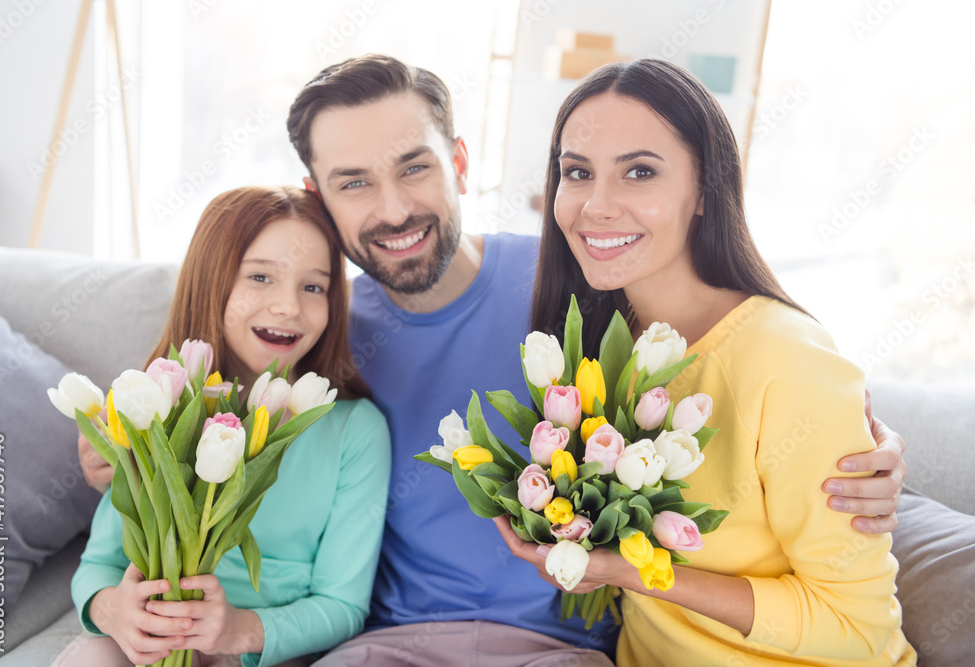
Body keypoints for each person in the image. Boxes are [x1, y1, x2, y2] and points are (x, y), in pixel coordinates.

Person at [81, 55, 906, 665]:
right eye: (354, 183)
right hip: (391, 644)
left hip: (564, 644)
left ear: (461, 165)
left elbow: (727, 352)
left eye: (415, 168)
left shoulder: (582, 278)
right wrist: (113, 446)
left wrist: (869, 448)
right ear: (319, 196)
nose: (395, 207)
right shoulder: (315, 335)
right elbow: (198, 382)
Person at [495, 59, 916, 665]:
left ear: (703, 192)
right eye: (577, 172)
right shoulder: (598, 349)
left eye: (639, 172)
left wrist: (632, 570)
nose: (596, 206)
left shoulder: (789, 363)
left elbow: (858, 631)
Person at [55, 186, 391, 667]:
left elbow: (342, 605)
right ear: (211, 282)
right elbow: (98, 566)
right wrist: (112, 610)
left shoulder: (355, 431)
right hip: (154, 646)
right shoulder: (157, 408)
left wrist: (238, 632)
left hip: (260, 650)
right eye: (260, 276)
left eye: (313, 286)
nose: (289, 307)